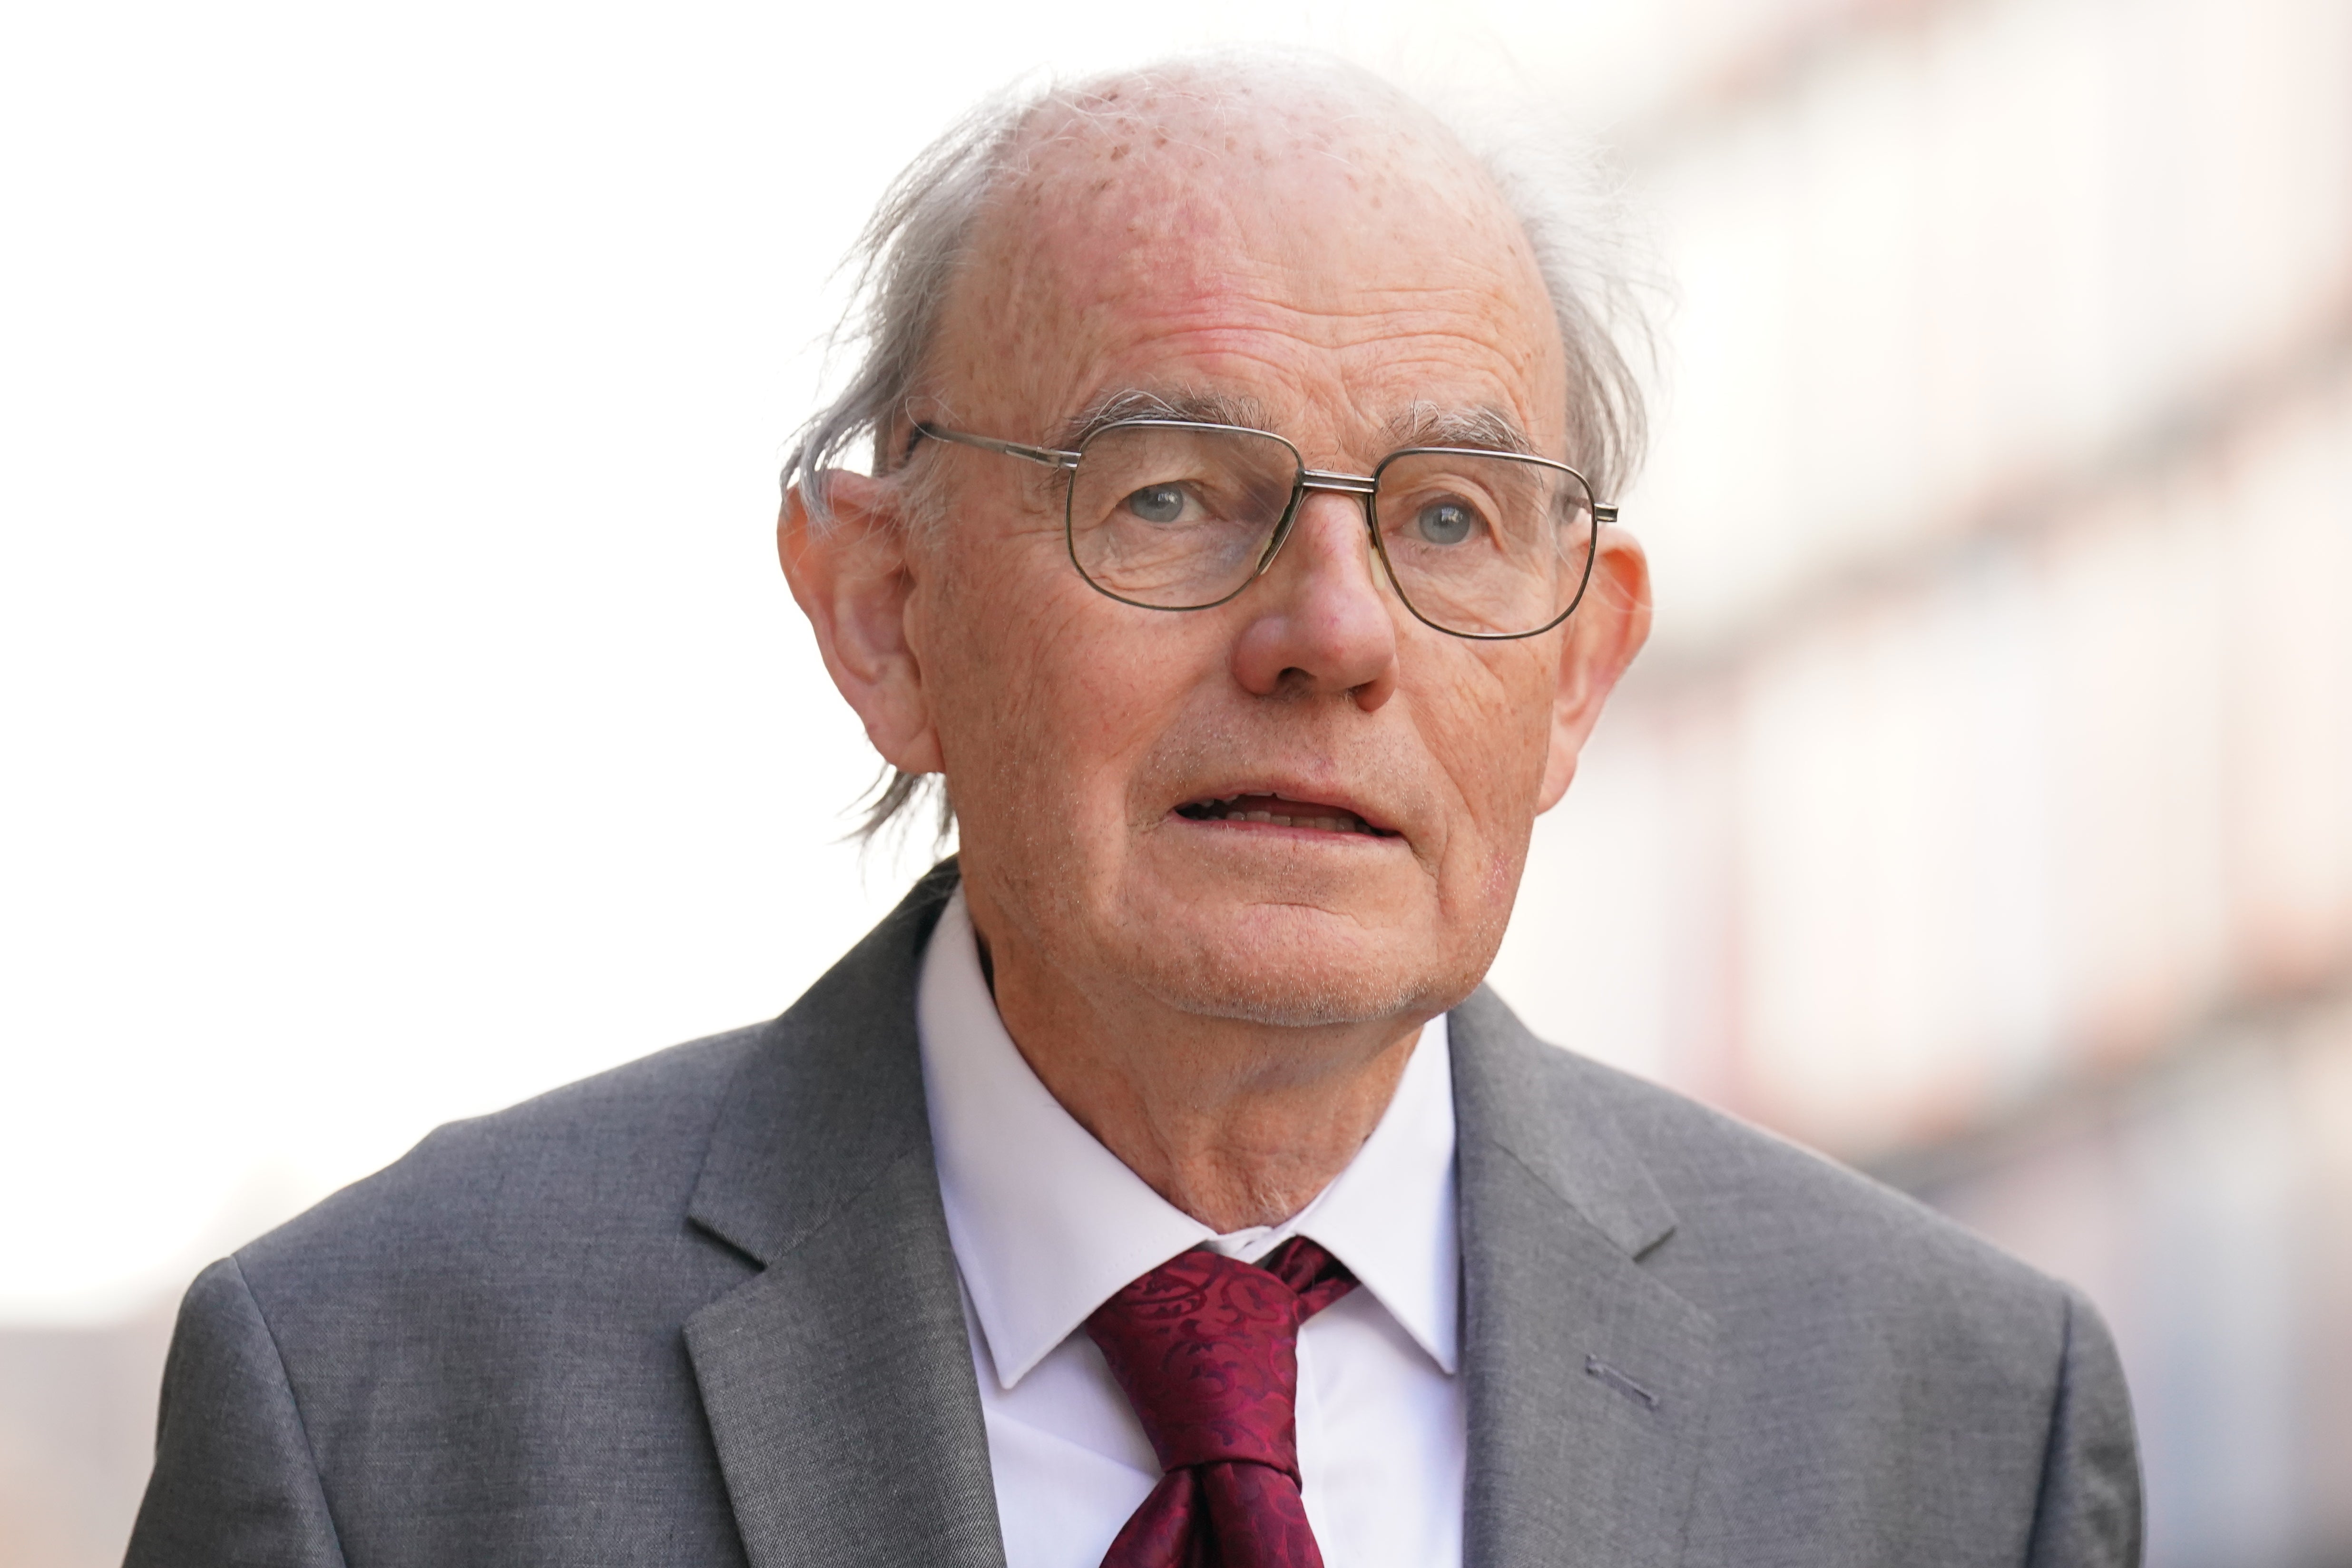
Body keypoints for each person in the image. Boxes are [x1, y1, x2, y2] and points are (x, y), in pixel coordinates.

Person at [124, 53, 2142, 1568]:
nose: (1332, 633)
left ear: (1578, 671)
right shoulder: (378, 1407)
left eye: (1448, 517)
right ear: (886, 611)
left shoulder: (1959, 1424)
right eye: (1171, 492)